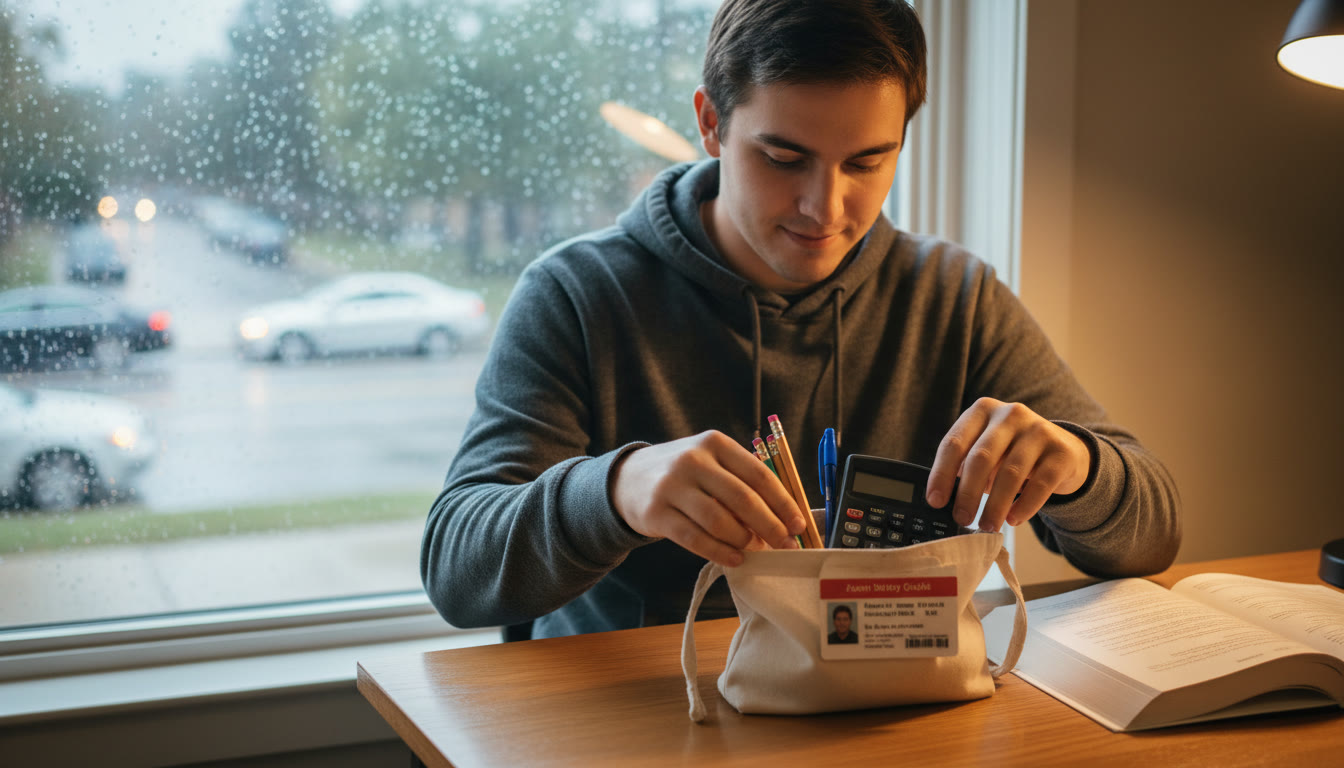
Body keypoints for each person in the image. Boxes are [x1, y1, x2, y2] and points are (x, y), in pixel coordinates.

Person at [421, 0, 1180, 640]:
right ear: (711, 123)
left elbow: (1153, 533)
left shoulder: (953, 296)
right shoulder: (576, 294)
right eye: (784, 159)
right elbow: (458, 571)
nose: (827, 207)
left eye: (867, 162)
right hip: (642, 721)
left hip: (886, 718)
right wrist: (616, 489)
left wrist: (1076, 466)